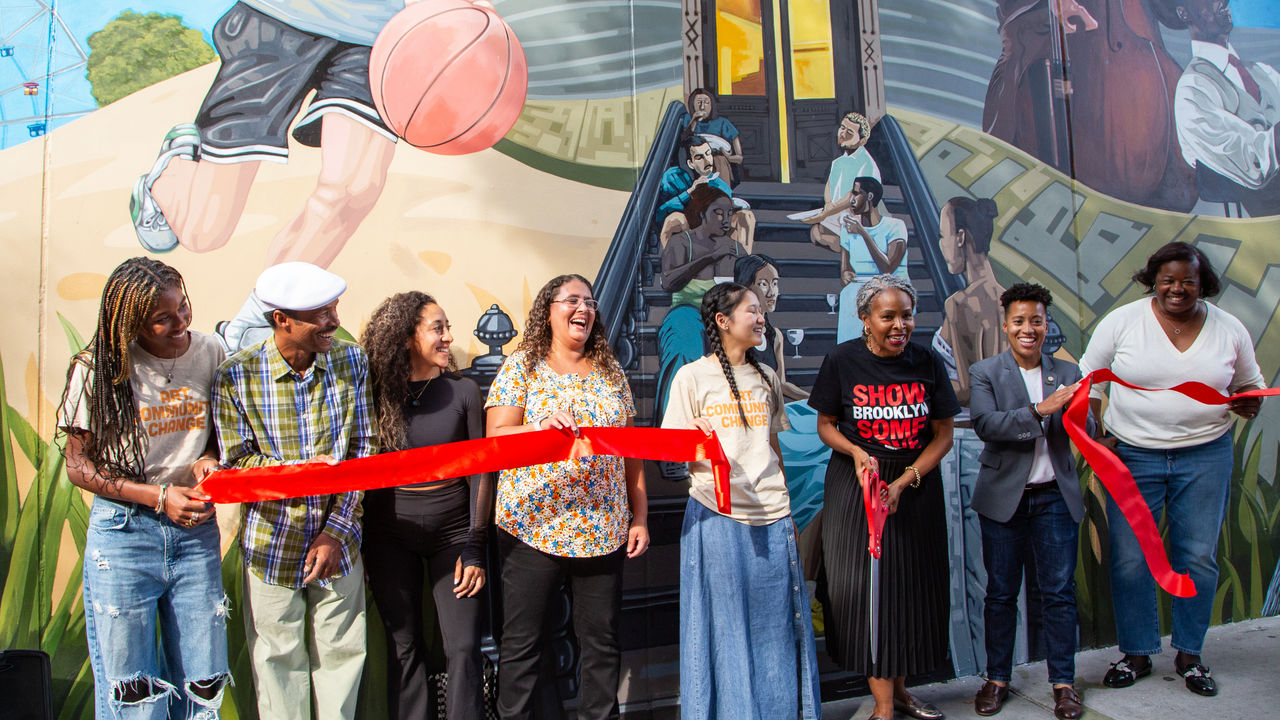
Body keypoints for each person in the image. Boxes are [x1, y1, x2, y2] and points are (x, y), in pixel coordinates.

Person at [130, 1, 406, 353]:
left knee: (355, 188)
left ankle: (252, 322)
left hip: (379, 35)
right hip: (278, 17)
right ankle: (170, 174)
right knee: (204, 232)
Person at [1080, 241, 1264, 697]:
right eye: (1167, 280)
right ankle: (1137, 654)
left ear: (1204, 285)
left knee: (1197, 557)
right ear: (1152, 281)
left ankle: (1189, 655)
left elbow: (1251, 388)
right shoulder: (1123, 322)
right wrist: (1097, 432)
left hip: (1205, 454)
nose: (1177, 289)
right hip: (1133, 457)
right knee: (1128, 559)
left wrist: (1249, 404)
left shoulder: (1229, 328)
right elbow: (1089, 380)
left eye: (1187, 281)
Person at [57, 257, 230, 719]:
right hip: (124, 535)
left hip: (194, 533)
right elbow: (78, 467)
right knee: (134, 689)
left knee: (203, 682)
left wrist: (209, 461)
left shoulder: (211, 351)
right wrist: (157, 497)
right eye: (163, 318)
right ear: (130, 324)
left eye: (183, 308)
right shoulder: (96, 368)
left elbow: (219, 431)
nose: (181, 323)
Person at [212, 261, 373, 720]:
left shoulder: (350, 360)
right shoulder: (235, 376)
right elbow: (238, 462)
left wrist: (336, 533)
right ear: (281, 319)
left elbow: (363, 450)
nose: (335, 322)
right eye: (321, 313)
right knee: (276, 660)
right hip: (270, 543)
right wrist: (303, 471)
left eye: (334, 308)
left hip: (340, 540)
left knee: (342, 656)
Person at [485, 274, 650, 720]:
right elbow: (495, 440)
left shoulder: (610, 369)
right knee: (521, 645)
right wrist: (538, 427)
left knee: (602, 644)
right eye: (572, 300)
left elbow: (629, 450)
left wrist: (640, 517)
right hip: (533, 527)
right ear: (549, 309)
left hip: (603, 528)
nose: (584, 309)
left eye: (591, 302)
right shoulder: (521, 366)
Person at [661, 282, 821, 719]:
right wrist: (690, 438)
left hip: (773, 515)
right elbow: (671, 452)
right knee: (726, 629)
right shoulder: (692, 376)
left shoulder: (767, 377)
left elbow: (773, 447)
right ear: (723, 321)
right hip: (717, 516)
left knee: (775, 628)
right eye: (752, 310)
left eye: (761, 310)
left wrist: (788, 508)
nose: (761, 317)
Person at [808, 274, 959, 720]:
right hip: (858, 487)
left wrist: (905, 479)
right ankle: (884, 705)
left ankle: (902, 694)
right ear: (865, 319)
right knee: (868, 596)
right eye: (887, 316)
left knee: (909, 592)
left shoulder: (926, 361)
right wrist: (856, 451)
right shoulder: (842, 360)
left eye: (907, 315)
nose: (900, 325)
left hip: (913, 487)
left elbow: (943, 434)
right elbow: (826, 425)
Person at [360, 291, 493, 720]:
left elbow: (482, 471)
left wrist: (475, 544)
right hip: (388, 538)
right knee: (404, 647)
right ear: (406, 337)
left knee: (464, 647)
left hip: (454, 536)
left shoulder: (464, 390)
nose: (449, 338)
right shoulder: (374, 392)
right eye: (438, 328)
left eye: (448, 328)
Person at [968, 283, 1088, 720]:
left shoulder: (1068, 373)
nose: (1028, 329)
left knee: (1058, 593)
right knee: (1000, 593)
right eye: (1019, 321)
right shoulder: (986, 371)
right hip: (1004, 501)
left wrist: (1085, 411)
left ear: (1045, 324)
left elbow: (1081, 431)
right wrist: (1042, 409)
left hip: (1055, 498)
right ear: (1006, 325)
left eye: (1036, 320)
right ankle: (996, 679)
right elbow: (986, 423)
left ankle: (1063, 684)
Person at [1154, 0, 1280, 216]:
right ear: (1184, 14)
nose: (1223, 1)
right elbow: (1253, 163)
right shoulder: (1193, 90)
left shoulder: (1264, 72)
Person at [656, 185, 748, 417]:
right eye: (719, 212)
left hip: (725, 318)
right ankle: (676, 425)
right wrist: (710, 257)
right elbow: (668, 282)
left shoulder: (736, 248)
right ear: (702, 212)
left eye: (730, 214)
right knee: (686, 341)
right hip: (688, 312)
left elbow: (748, 285)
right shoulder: (683, 242)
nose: (726, 219)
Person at [934, 196, 1005, 406]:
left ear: (960, 237)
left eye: (942, 236)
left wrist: (922, 385)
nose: (941, 245)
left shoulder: (960, 304)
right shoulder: (1007, 298)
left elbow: (968, 389)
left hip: (968, 430)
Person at [825, 177, 908, 344]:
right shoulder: (848, 230)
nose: (852, 200)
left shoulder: (895, 226)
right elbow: (845, 271)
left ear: (869, 196)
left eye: (857, 194)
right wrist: (846, 274)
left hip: (890, 293)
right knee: (849, 294)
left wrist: (863, 233)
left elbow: (888, 267)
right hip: (860, 293)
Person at [656, 134, 756, 250]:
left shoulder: (719, 183)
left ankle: (742, 263)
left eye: (708, 154)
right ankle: (673, 265)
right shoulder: (674, 177)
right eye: (699, 157)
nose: (707, 160)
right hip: (690, 227)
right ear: (690, 163)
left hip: (714, 229)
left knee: (746, 216)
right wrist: (689, 192)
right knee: (674, 220)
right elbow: (660, 214)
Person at [733, 253, 809, 400]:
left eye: (774, 283)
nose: (771, 292)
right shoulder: (734, 334)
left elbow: (780, 384)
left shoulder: (775, 336)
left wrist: (815, 402)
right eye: (763, 284)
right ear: (745, 288)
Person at [803, 111, 881, 252]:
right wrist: (828, 205)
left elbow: (857, 194)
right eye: (842, 128)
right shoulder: (838, 162)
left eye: (849, 132)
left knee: (827, 238)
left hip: (855, 214)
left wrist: (829, 211)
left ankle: (836, 243)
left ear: (862, 140)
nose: (843, 134)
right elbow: (830, 185)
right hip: (835, 213)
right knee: (817, 232)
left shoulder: (866, 163)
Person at [685, 88, 743, 183]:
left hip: (718, 161)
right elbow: (683, 140)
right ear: (692, 105)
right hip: (695, 162)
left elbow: (739, 158)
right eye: (699, 103)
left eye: (707, 103)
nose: (702, 107)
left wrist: (729, 157)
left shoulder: (723, 123)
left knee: (718, 160)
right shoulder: (688, 120)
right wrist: (694, 121)